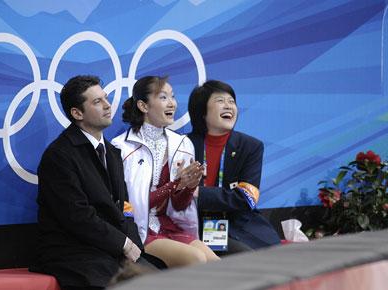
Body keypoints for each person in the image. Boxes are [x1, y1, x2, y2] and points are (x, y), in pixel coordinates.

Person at [30, 75, 160, 290]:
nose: (108, 106)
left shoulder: (112, 152)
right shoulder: (59, 156)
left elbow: (124, 208)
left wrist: (133, 244)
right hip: (73, 251)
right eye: (97, 102)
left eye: (106, 98)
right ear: (77, 113)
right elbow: (77, 216)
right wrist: (123, 244)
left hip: (109, 248)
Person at [112, 76, 219, 267]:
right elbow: (132, 205)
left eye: (173, 97)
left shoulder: (182, 144)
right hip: (140, 230)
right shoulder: (121, 148)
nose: (172, 104)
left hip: (171, 226)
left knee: (217, 265)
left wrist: (187, 187)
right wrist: (175, 184)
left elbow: (179, 206)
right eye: (163, 98)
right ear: (143, 106)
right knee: (196, 260)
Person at [187, 80, 281, 254]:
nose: (229, 106)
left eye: (232, 101)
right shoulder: (184, 145)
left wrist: (199, 193)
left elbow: (246, 198)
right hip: (194, 225)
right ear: (202, 111)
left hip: (238, 225)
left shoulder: (251, 146)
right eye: (220, 101)